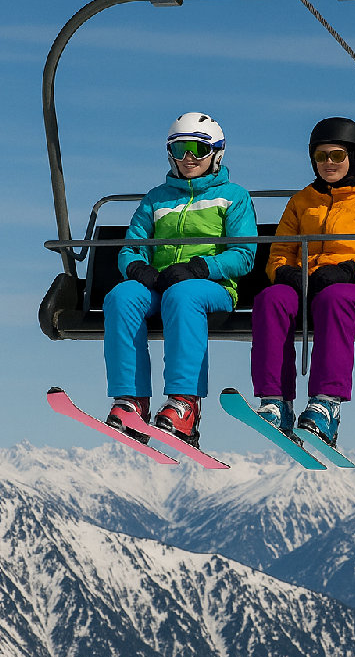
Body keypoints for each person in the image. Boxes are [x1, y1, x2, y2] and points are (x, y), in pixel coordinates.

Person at [104, 112, 257, 448]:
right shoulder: (157, 198)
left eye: (197, 149)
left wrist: (201, 268)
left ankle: (184, 404)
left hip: (210, 288)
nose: (188, 158)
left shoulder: (233, 197)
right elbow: (130, 248)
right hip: (160, 285)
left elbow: (244, 255)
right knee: (122, 297)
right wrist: (139, 270)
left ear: (216, 153)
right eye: (179, 149)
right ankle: (131, 400)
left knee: (183, 296)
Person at [251, 117, 355, 447]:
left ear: (354, 157)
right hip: (306, 287)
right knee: (270, 298)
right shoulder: (301, 202)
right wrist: (285, 273)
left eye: (336, 155)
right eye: (321, 157)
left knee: (332, 299)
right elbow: (279, 253)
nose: (328, 164)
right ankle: (275, 401)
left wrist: (350, 271)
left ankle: (326, 405)